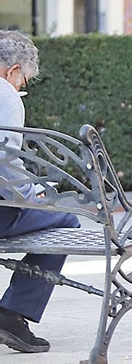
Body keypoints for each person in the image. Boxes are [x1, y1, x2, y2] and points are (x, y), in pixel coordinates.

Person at [0, 32, 77, 353]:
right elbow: (4, 163)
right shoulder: (5, 95)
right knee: (66, 220)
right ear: (13, 70)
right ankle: (12, 313)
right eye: (24, 81)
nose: (22, 88)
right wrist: (32, 196)